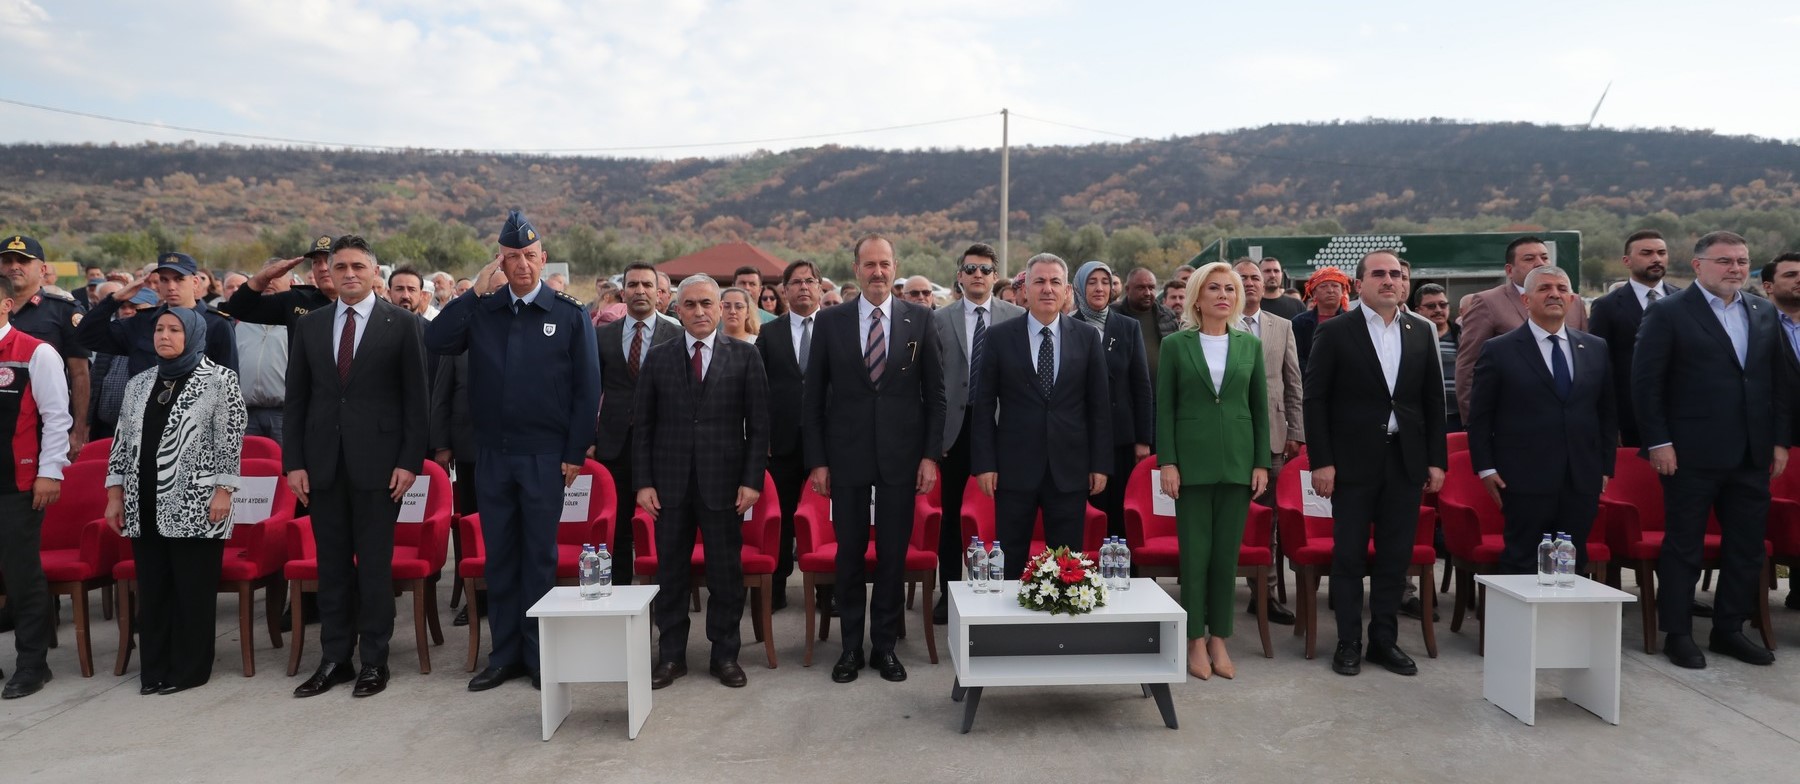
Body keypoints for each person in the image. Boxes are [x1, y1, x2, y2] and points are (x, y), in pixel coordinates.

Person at [426, 211, 600, 691]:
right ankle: (504, 655)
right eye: (511, 257)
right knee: (499, 557)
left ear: (543, 258)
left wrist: (574, 453)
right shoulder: (483, 308)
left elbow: (587, 390)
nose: (521, 265)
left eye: (528, 255)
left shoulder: (568, 314)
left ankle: (540, 654)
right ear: (498, 261)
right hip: (492, 455)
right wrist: (474, 293)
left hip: (546, 455)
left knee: (539, 558)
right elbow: (436, 339)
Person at [1634, 231, 1791, 669]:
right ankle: (1678, 633)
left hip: (1751, 453)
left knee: (1745, 548)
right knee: (1684, 546)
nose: (1736, 269)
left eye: (1742, 261)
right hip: (1689, 453)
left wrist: (1778, 440)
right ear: (1698, 266)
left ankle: (1728, 630)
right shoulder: (1668, 312)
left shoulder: (1762, 311)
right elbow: (1646, 386)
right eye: (1725, 261)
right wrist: (1659, 442)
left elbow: (1776, 384)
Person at [286, 236, 430, 699]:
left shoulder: (403, 324)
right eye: (340, 266)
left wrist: (409, 461)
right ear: (326, 272)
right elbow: (297, 400)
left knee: (372, 568)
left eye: (357, 266)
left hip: (380, 467)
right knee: (331, 568)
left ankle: (374, 661)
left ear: (374, 273)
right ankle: (334, 659)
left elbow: (417, 401)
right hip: (323, 465)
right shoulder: (311, 326)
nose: (348, 274)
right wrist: (294, 463)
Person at [801, 233, 944, 685]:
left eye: (885, 264)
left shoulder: (921, 320)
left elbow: (935, 395)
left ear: (895, 266)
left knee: (892, 556)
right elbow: (812, 400)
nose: (878, 272)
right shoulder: (830, 322)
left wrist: (929, 456)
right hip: (846, 458)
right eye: (869, 264)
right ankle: (849, 650)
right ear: (856, 268)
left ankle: (884, 647)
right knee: (848, 555)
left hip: (903, 459)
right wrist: (818, 461)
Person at [1304, 250, 1447, 677]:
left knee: (1394, 557)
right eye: (1379, 274)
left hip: (1405, 461)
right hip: (1351, 464)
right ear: (1359, 283)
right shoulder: (1336, 332)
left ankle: (1384, 641)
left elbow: (1432, 401)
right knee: (1347, 557)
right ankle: (1349, 641)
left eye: (1397, 275)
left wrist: (1436, 461)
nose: (1390, 281)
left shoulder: (1420, 331)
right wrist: (1322, 462)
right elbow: (1316, 401)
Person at [634, 276, 770, 689]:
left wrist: (752, 481)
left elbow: (760, 425)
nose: (699, 312)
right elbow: (642, 425)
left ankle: (725, 655)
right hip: (669, 486)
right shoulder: (658, 358)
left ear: (720, 307)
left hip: (726, 486)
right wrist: (643, 483)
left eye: (706, 304)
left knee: (725, 574)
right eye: (689, 304)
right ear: (676, 308)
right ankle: (671, 657)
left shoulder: (745, 356)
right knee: (670, 574)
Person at [103, 307, 245, 696]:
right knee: (154, 589)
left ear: (194, 335)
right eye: (160, 329)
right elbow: (120, 441)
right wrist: (115, 495)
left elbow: (230, 440)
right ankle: (154, 671)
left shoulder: (219, 380)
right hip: (142, 502)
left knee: (191, 590)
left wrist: (223, 491)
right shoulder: (140, 382)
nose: (164, 336)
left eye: (174, 330)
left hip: (197, 503)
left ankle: (189, 670)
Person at [1156, 262, 1269, 680]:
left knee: (1226, 557)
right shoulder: (1175, 346)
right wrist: (1168, 461)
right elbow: (1164, 408)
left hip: (1239, 464)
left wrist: (1261, 462)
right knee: (1195, 556)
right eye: (1214, 288)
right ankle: (1193, 641)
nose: (1223, 295)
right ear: (1198, 298)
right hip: (1191, 465)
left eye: (1230, 289)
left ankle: (1219, 637)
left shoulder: (1249, 346)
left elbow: (1259, 408)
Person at [1467, 266, 1616, 577]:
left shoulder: (1595, 348)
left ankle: (1564, 626)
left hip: (1581, 477)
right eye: (1545, 288)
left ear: (1573, 299)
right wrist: (1486, 467)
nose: (1554, 294)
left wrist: (1605, 465)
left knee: (1573, 560)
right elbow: (1480, 416)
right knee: (1522, 558)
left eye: (1562, 289)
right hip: (1523, 476)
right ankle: (1519, 627)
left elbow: (1605, 412)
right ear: (1526, 300)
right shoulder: (1499, 350)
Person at [970, 253, 1110, 577]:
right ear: (1025, 290)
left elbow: (1099, 407)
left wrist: (1100, 464)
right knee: (1011, 559)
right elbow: (983, 405)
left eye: (1055, 282)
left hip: (1070, 468)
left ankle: (1061, 626)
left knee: (1067, 564)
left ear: (1066, 292)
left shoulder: (1087, 338)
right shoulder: (998, 337)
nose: (1047, 289)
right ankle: (1010, 625)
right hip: (1013, 468)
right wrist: (985, 464)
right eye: (1040, 281)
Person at [929, 244, 1024, 623]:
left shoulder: (1017, 316)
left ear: (995, 274)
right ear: (959, 275)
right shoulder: (938, 319)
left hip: (1003, 426)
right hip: (956, 427)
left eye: (985, 269)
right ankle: (949, 593)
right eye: (970, 268)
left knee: (1004, 513)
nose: (978, 275)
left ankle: (1003, 590)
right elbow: (931, 384)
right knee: (950, 516)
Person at [0, 275, 72, 699]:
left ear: (7, 305)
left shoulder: (36, 352)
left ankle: (32, 664)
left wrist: (51, 471)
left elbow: (57, 417)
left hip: (17, 484)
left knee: (22, 577)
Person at [592, 263, 681, 587]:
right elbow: (590, 390)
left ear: (660, 293)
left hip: (664, 447)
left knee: (666, 526)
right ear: (623, 291)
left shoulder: (677, 334)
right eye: (633, 285)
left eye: (647, 285)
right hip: (614, 445)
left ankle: (665, 600)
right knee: (616, 530)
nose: (640, 291)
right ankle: (617, 600)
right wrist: (589, 437)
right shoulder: (601, 335)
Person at [1233, 260, 1303, 625]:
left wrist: (1296, 432)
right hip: (1227, 437)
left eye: (1255, 278)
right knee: (1228, 517)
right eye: (1241, 277)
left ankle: (1266, 593)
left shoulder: (1283, 327)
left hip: (1273, 437)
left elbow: (1293, 384)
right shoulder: (1215, 324)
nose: (1249, 283)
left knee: (1268, 521)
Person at [1455, 236, 1589, 424]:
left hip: (1572, 421)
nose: (1539, 263)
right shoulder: (1488, 302)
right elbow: (1468, 367)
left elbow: (1586, 364)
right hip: (1514, 421)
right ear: (1510, 270)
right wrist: (1475, 424)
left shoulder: (1573, 302)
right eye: (1529, 259)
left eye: (1544, 257)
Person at [758, 260, 827, 613]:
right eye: (795, 282)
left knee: (827, 517)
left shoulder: (837, 327)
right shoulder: (769, 333)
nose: (803, 287)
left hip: (828, 443)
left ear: (820, 287)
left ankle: (828, 593)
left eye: (809, 281)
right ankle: (779, 586)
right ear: (784, 290)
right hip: (781, 441)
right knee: (783, 519)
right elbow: (758, 390)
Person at [1073, 261, 1151, 542]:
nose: (1099, 288)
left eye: (1105, 282)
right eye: (1092, 282)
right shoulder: (1069, 325)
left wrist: (1143, 438)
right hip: (1081, 436)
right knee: (1087, 514)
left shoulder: (1127, 327)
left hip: (1120, 437)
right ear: (1079, 286)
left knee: (1119, 515)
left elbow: (1141, 386)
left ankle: (1122, 580)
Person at [1, 235, 89, 461]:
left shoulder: (63, 311)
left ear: (43, 269)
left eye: (23, 261)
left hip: (45, 427)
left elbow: (79, 373)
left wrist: (79, 430)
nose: (14, 267)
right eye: (7, 261)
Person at [77, 253, 237, 376]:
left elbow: (229, 382)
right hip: (145, 414)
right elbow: (87, 337)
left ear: (195, 282)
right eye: (164, 280)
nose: (171, 286)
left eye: (179, 279)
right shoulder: (142, 321)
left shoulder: (217, 324)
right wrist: (116, 298)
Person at [1588, 230, 1677, 448]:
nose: (1656, 259)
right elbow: (1600, 367)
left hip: (1682, 414)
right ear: (1626, 261)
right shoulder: (1606, 307)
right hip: (1631, 418)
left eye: (1661, 253)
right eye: (1647, 253)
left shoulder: (1686, 300)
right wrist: (1610, 422)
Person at [234, 265, 294, 440]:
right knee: (249, 466)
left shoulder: (300, 321)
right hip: (246, 414)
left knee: (285, 466)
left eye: (275, 276)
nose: (268, 281)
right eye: (265, 277)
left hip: (284, 414)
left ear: (291, 283)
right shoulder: (243, 322)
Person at [225, 235, 337, 328]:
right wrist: (264, 276)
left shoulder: (353, 303)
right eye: (316, 262)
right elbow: (237, 309)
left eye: (329, 260)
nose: (323, 268)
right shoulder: (297, 300)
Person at [1113, 267, 1180, 386]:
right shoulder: (1113, 316)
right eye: (1141, 288)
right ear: (1127, 289)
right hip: (1127, 394)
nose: (1147, 293)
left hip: (1162, 392)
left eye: (1151, 287)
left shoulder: (1167, 315)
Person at [1413, 284, 1461, 433]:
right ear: (1418, 311)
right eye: (1431, 306)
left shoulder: (1463, 335)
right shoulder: (1411, 337)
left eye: (1442, 304)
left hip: (1459, 416)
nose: (1438, 310)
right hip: (1424, 417)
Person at [1291, 266, 1349, 372]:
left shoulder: (1352, 321)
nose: (1330, 290)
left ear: (1343, 291)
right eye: (1323, 286)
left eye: (1335, 286)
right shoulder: (1299, 322)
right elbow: (1295, 357)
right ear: (1313, 294)